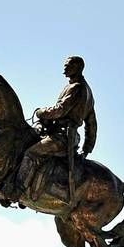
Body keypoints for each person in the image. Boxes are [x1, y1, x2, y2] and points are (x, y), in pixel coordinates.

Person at [20, 56, 97, 200]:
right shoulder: (86, 92)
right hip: (63, 133)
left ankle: (18, 189)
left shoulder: (77, 87)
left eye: (68, 65)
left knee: (32, 153)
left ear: (78, 68)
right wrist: (87, 148)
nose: (65, 68)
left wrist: (41, 112)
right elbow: (92, 125)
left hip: (63, 135)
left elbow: (60, 110)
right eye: (65, 65)